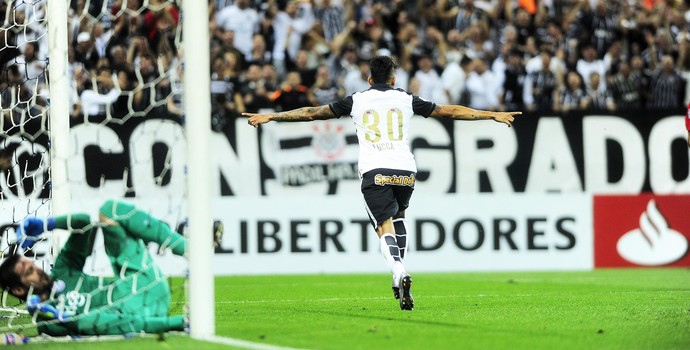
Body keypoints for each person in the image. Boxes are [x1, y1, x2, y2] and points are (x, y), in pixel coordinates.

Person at [243, 56, 520, 311]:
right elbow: (449, 111)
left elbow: (311, 112)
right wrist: (491, 114)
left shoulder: (356, 100)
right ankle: (400, 273)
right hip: (405, 171)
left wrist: (272, 116)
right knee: (399, 216)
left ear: (369, 79)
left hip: (375, 170)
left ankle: (398, 271)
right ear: (393, 79)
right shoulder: (406, 99)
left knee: (383, 226)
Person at [0, 199, 187, 335]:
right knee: (86, 321)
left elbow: (85, 223)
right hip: (134, 316)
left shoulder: (63, 269)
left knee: (108, 211)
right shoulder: (47, 319)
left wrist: (47, 224)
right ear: (18, 289)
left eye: (32, 265)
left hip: (146, 284)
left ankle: (187, 248)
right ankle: (177, 323)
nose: (38, 269)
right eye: (29, 272)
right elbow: (64, 330)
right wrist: (55, 317)